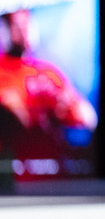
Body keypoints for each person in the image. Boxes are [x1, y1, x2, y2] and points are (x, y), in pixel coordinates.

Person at [0, 9, 98, 143]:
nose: (24, 30)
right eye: (17, 25)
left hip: (51, 154)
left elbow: (88, 117)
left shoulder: (47, 72)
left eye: (27, 24)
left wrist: (67, 110)